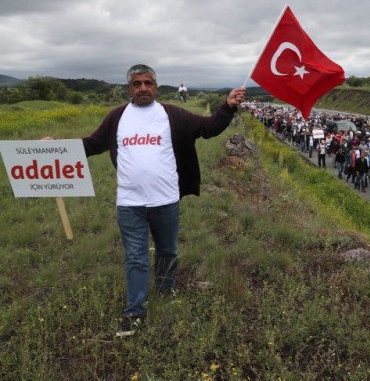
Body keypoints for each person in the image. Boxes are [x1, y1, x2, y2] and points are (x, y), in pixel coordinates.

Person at [80, 64, 246, 336]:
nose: (143, 88)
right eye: (137, 83)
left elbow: (207, 127)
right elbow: (91, 144)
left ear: (156, 86)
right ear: (129, 88)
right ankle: (135, 312)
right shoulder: (117, 118)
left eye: (148, 82)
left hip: (166, 201)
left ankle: (166, 289)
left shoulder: (172, 115)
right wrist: (58, 145)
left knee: (168, 250)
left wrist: (227, 106)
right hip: (129, 203)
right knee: (136, 257)